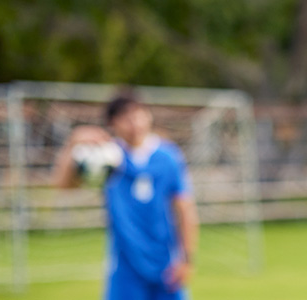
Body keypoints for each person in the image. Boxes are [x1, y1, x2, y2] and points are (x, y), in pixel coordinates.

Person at [52, 89, 198, 300]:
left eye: (139, 115)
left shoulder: (168, 157)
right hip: (125, 267)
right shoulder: (107, 158)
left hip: (166, 263)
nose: (135, 123)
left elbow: (185, 209)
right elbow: (63, 185)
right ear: (113, 123)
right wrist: (73, 143)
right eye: (126, 118)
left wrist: (187, 259)